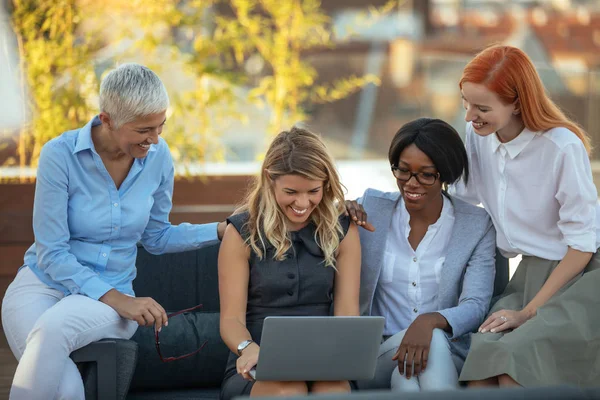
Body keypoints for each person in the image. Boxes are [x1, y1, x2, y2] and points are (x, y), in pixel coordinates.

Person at [1, 63, 226, 400]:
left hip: (108, 299)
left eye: (160, 125)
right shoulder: (59, 156)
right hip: (42, 286)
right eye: (143, 129)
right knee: (68, 390)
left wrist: (222, 230)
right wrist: (121, 300)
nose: (155, 138)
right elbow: (52, 252)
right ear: (107, 120)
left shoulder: (159, 158)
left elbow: (157, 237)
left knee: (52, 328)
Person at [451, 45, 600, 387]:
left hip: (582, 272)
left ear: (517, 103)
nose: (470, 117)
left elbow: (582, 244)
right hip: (532, 271)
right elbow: (462, 198)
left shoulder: (562, 147)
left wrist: (528, 312)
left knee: (513, 363)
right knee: (481, 365)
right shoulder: (478, 136)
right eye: (466, 103)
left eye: (482, 108)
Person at [345, 118, 496, 392]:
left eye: (426, 174)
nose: (411, 183)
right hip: (377, 354)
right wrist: (338, 212)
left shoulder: (476, 224)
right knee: (426, 350)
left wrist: (429, 322)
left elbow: (476, 304)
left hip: (447, 352)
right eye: (403, 171)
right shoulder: (371, 208)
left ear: (447, 175)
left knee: (407, 380)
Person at [218, 127, 361, 399]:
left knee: (333, 391)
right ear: (270, 181)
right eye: (291, 191)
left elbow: (347, 316)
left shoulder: (343, 230)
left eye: (313, 191)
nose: (303, 202)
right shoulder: (241, 232)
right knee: (289, 390)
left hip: (324, 360)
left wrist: (340, 359)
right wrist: (248, 348)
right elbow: (230, 320)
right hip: (256, 361)